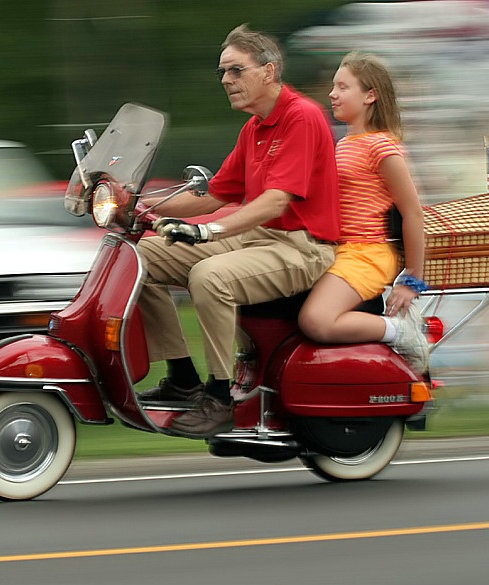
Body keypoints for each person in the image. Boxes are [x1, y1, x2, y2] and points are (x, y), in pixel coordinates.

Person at [135, 24, 340, 437]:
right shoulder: (254, 129)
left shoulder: (303, 116)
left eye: (235, 71)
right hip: (257, 240)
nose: (226, 81)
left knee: (209, 276)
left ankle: (219, 395)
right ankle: (183, 378)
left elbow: (276, 201)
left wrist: (209, 232)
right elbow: (212, 195)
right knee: (139, 257)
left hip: (302, 248)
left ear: (269, 71)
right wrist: (139, 202)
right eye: (222, 73)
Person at [297, 51, 429, 374]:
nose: (332, 94)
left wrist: (413, 280)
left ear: (370, 95)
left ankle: (401, 331)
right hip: (339, 251)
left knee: (316, 320)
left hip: (367, 254)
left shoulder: (382, 147)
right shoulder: (343, 144)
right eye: (333, 87)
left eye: (343, 87)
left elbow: (413, 214)